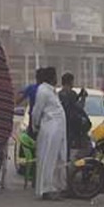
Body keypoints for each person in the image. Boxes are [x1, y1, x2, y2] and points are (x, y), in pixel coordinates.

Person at [28, 67, 67, 200]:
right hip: (50, 129)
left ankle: (55, 187)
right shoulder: (43, 91)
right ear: (51, 78)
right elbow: (36, 111)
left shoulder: (51, 91)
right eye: (55, 76)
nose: (57, 79)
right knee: (48, 160)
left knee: (57, 159)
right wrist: (35, 126)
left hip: (57, 129)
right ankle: (46, 189)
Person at [57, 72, 90, 160]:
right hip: (71, 126)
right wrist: (83, 97)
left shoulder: (59, 94)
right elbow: (78, 107)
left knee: (63, 148)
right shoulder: (71, 93)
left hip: (61, 124)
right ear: (70, 82)